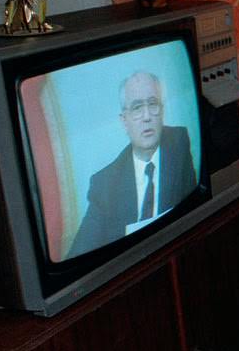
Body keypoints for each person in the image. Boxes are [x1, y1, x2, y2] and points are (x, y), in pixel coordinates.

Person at [69, 71, 196, 257]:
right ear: (124, 121)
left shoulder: (179, 141)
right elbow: (81, 252)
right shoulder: (104, 183)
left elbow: (190, 210)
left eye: (153, 104)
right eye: (137, 108)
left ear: (162, 111)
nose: (146, 116)